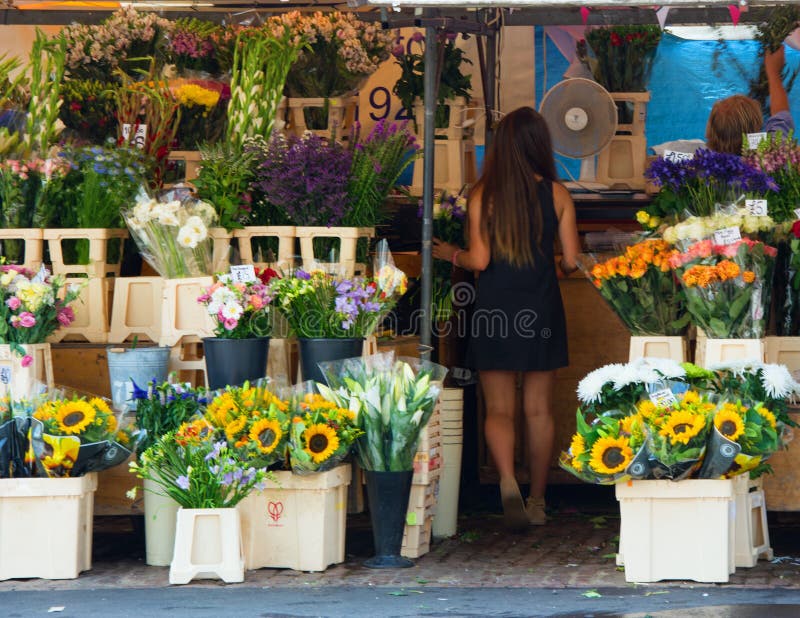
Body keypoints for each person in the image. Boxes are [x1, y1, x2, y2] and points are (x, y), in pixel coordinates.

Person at [432, 107, 580, 530]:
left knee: (498, 408)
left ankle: (507, 480)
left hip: (495, 309)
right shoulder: (557, 193)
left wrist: (451, 255)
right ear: (539, 145)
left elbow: (480, 260)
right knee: (538, 410)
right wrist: (554, 263)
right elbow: (570, 260)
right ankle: (536, 500)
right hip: (542, 307)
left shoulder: (483, 195)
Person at [706, 44, 794, 154]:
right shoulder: (774, 158)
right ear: (755, 134)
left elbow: (781, 117)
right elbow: (781, 116)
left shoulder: (701, 162)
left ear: (710, 130)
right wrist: (773, 72)